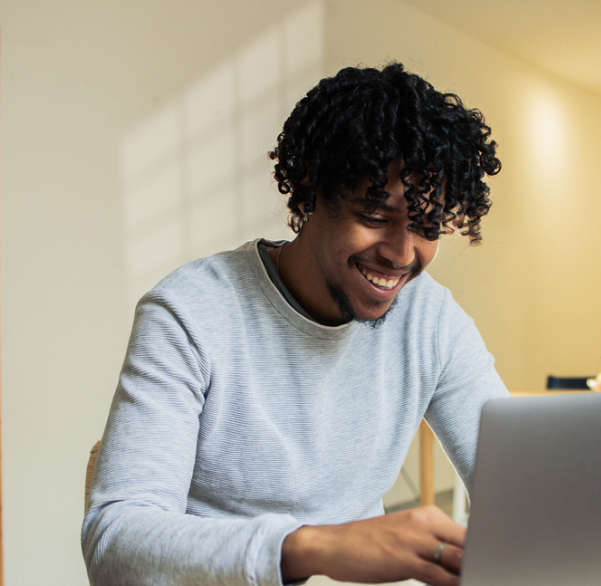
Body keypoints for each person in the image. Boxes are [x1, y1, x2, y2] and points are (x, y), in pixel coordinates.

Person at [82, 63, 508, 586]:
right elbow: (116, 542)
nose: (402, 254)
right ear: (310, 189)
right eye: (375, 215)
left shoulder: (431, 320)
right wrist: (314, 547)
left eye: (425, 225)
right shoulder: (190, 313)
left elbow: (518, 486)